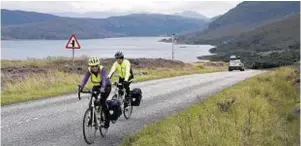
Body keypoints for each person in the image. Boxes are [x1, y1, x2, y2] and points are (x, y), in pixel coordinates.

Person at [79, 56, 111, 128]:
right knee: (92, 101)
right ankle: (93, 117)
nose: (94, 68)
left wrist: (103, 88)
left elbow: (104, 79)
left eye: (96, 66)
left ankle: (107, 121)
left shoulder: (103, 69)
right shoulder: (89, 71)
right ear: (90, 66)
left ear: (98, 65)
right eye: (92, 66)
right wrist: (81, 87)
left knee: (102, 102)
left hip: (106, 86)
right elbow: (85, 79)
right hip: (96, 86)